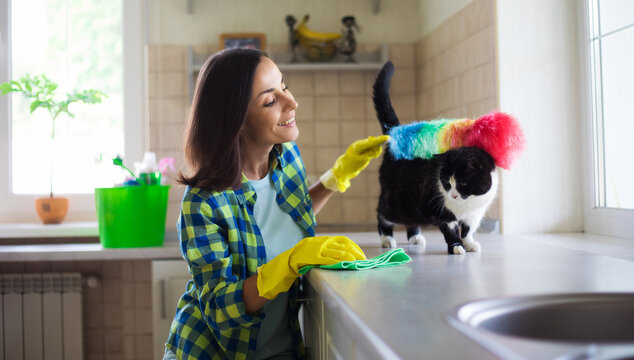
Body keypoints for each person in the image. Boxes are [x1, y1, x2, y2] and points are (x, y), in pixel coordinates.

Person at [164, 48, 388, 360]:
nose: (292, 103)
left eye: (284, 87)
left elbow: (288, 217)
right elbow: (219, 309)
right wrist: (289, 262)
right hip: (213, 352)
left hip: (280, 348)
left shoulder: (286, 156)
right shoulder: (203, 203)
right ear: (236, 121)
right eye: (270, 100)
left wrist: (336, 177)